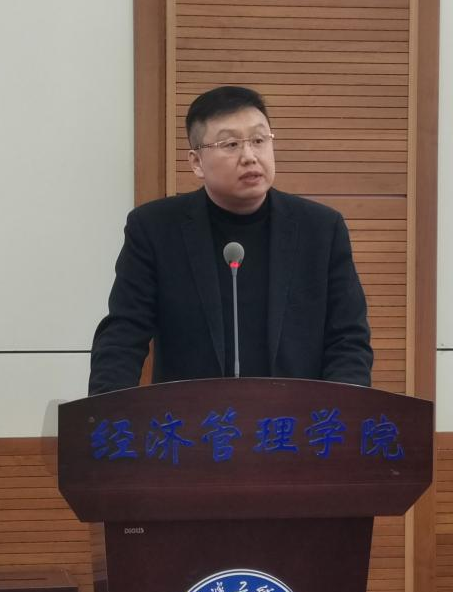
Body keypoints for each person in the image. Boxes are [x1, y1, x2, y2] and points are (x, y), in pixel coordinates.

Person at [88, 85, 373, 395]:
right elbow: (124, 332)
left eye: (259, 140)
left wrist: (344, 410)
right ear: (196, 162)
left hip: (298, 419)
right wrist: (106, 410)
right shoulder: (155, 229)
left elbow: (348, 338)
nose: (249, 156)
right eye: (231, 144)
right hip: (193, 418)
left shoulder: (321, 229)